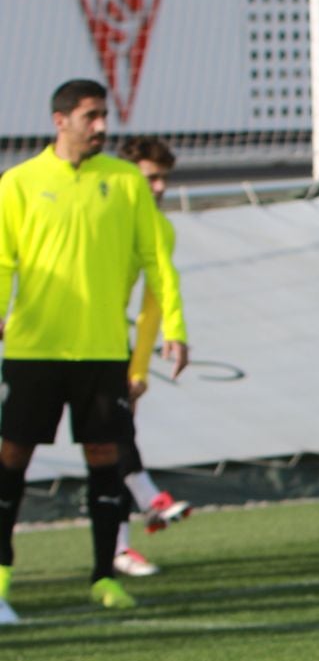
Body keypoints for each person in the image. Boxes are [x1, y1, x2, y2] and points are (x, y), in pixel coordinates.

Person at [0, 80, 187, 622]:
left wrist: (174, 325)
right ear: (60, 121)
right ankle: (3, 575)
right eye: (90, 116)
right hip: (34, 350)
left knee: (105, 459)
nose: (102, 126)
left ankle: (105, 576)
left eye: (104, 115)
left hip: (103, 352)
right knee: (11, 459)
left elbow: (157, 259)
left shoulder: (125, 182)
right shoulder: (18, 183)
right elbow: (3, 260)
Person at [109, 136, 194, 579]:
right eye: (151, 178)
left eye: (164, 178)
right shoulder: (101, 216)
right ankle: (146, 499)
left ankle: (121, 546)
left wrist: (138, 369)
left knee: (111, 437)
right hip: (45, 339)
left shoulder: (160, 229)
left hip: (104, 344)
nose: (160, 188)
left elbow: (153, 304)